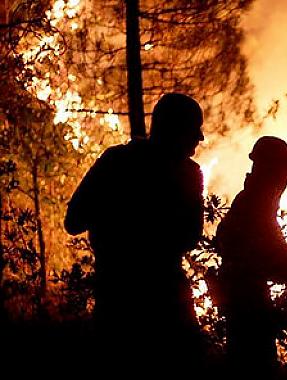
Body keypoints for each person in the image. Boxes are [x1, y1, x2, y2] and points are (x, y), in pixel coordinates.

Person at [64, 93, 206, 371]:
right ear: (175, 130)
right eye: (192, 131)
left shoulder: (115, 161)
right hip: (166, 306)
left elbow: (74, 221)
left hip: (116, 300)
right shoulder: (189, 174)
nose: (198, 140)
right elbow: (190, 236)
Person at [213, 136, 287, 377]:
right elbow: (268, 247)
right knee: (254, 364)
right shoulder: (254, 206)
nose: (286, 179)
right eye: (283, 171)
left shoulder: (252, 203)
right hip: (245, 298)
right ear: (269, 170)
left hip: (246, 294)